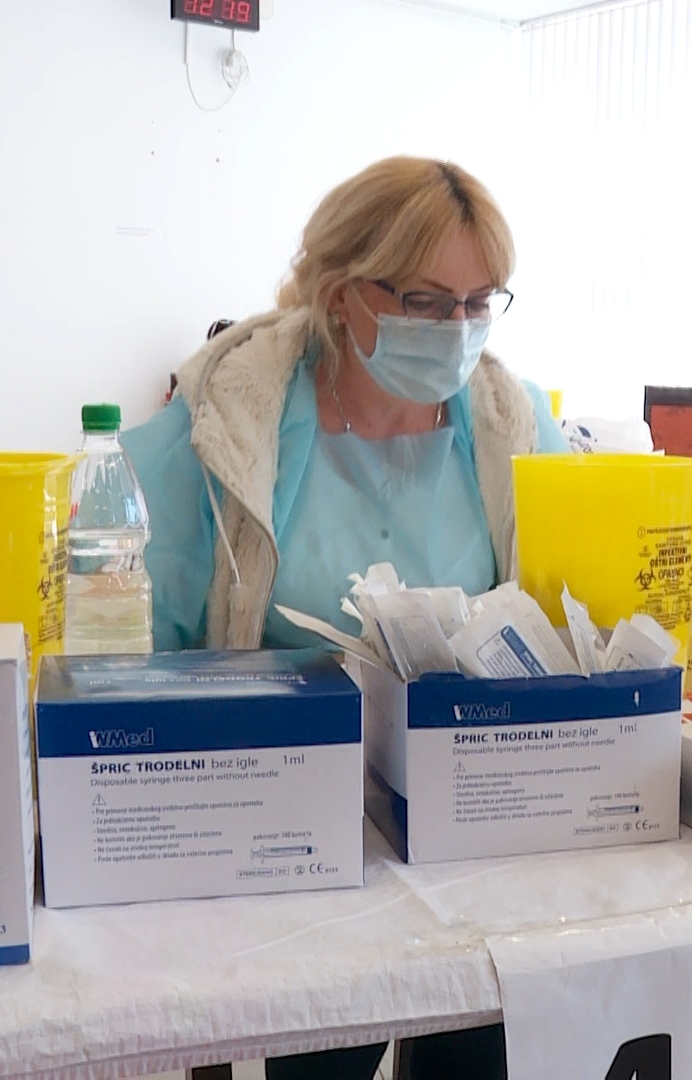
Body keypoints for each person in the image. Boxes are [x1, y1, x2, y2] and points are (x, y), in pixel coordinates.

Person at [123, 156, 567, 1080]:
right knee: (323, 1050)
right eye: (426, 302)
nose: (457, 330)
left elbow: (565, 613)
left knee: (475, 1047)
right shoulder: (230, 421)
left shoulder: (507, 421)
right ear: (341, 292)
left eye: (480, 302)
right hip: (286, 826)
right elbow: (134, 635)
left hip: (465, 823)